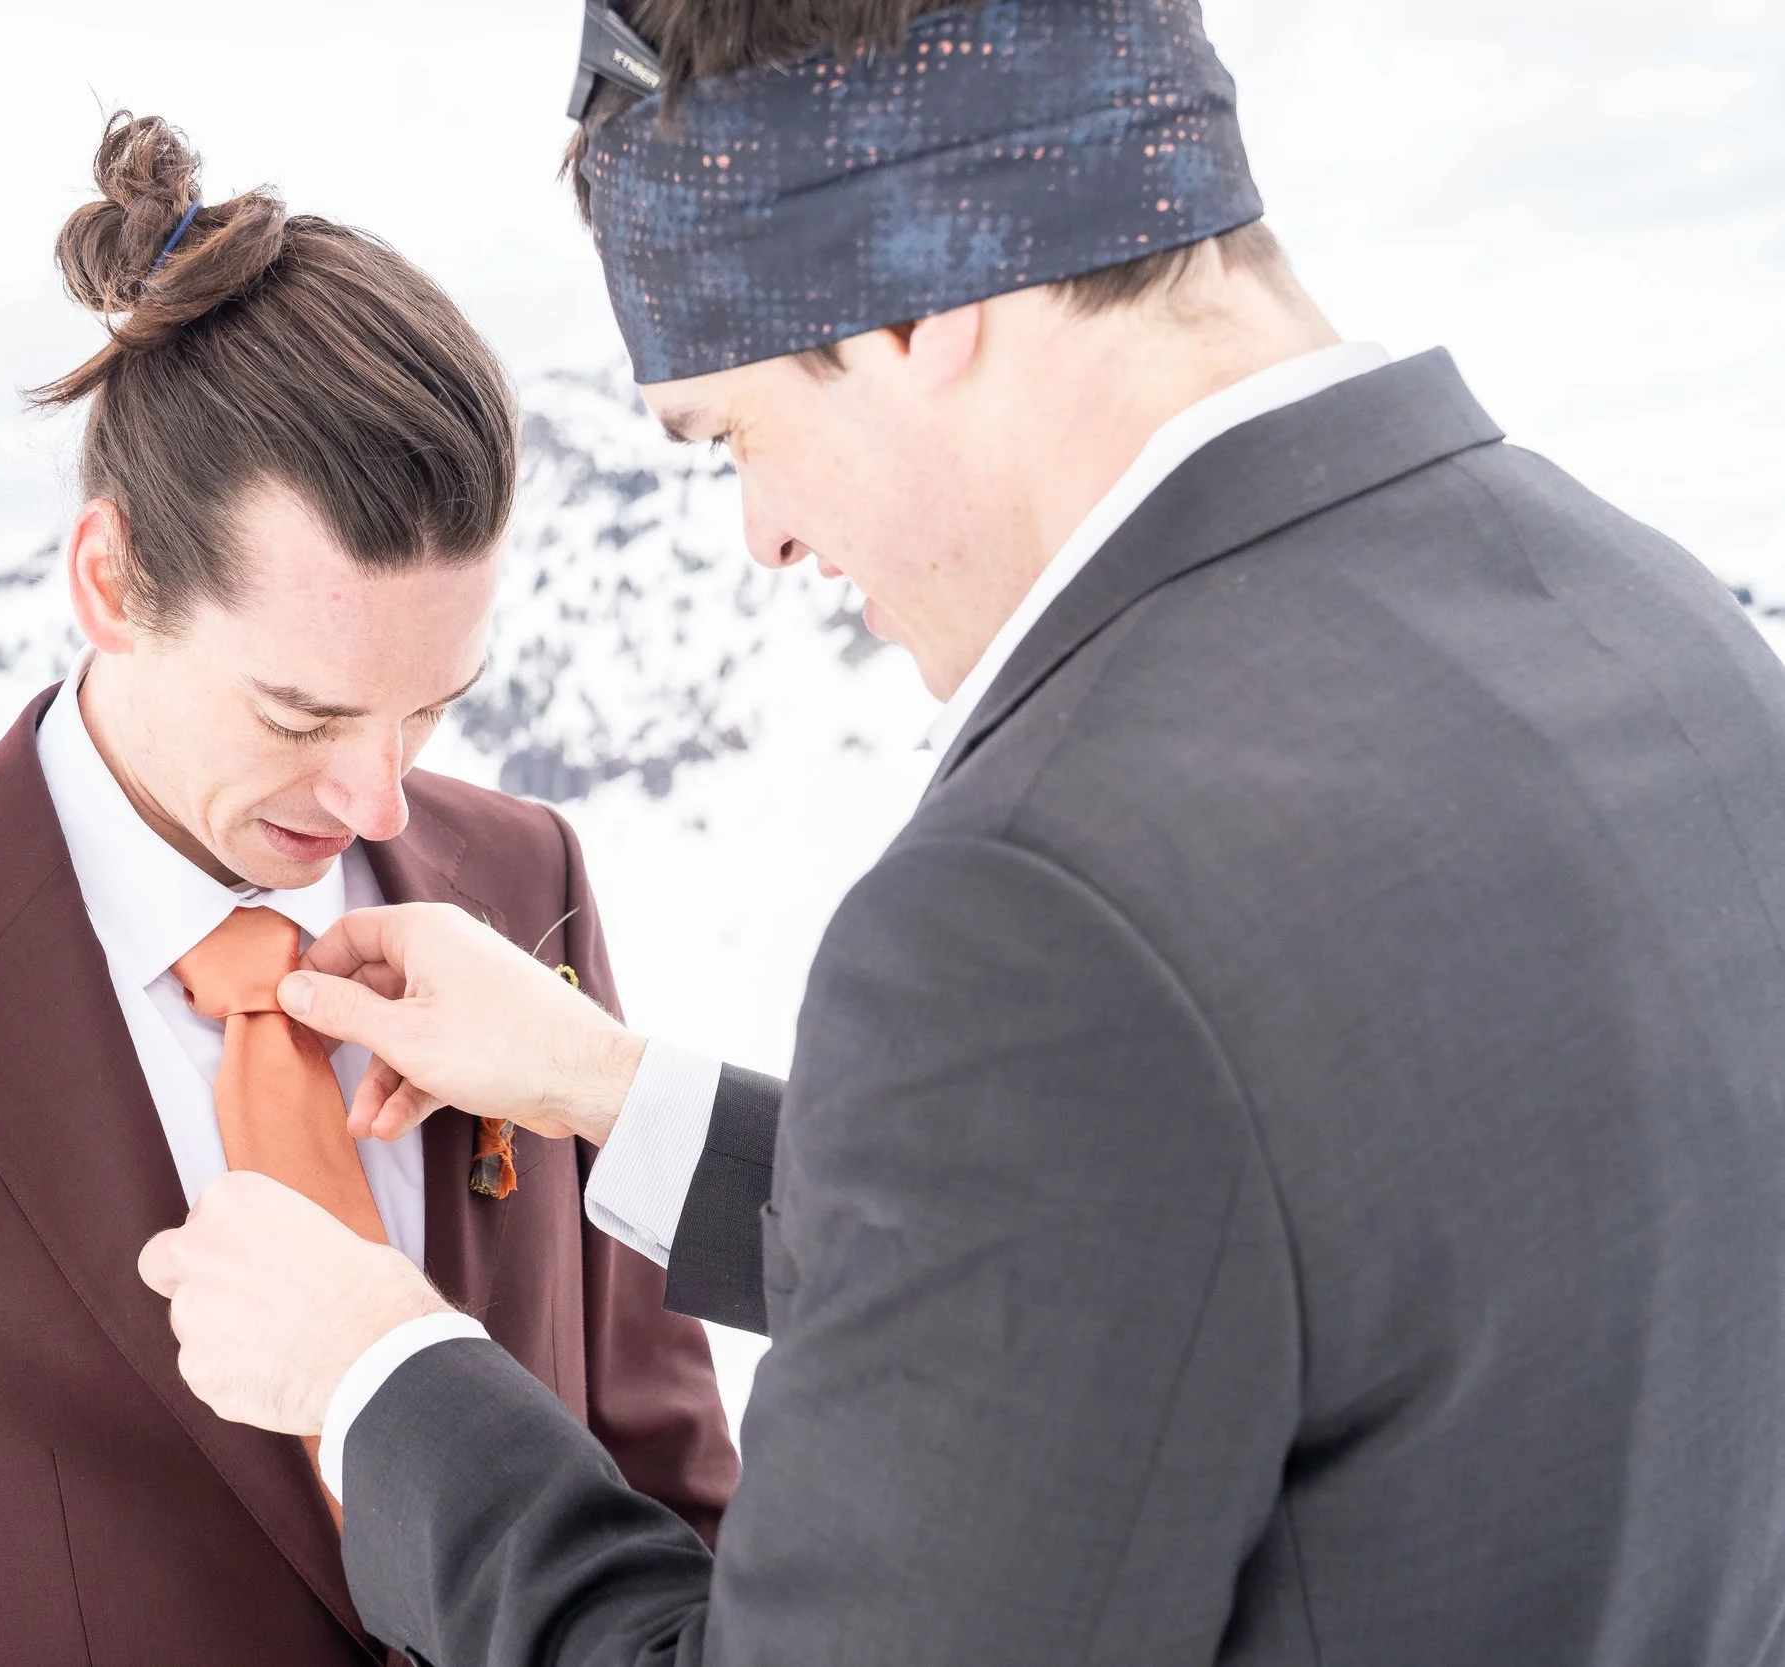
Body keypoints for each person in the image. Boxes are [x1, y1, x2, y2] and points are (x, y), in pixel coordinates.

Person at [137, 3, 1785, 1663]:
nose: (768, 534)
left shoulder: (1043, 907)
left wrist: (377, 1372)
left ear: (916, 296)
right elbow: (1187, 1229)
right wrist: (614, 1092)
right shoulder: (1657, 631)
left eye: (737, 433)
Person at [0, 111, 735, 1667]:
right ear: (110, 582)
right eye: (299, 716)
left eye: (431, 708)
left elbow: (683, 1520)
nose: (380, 797)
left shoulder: (520, 876)